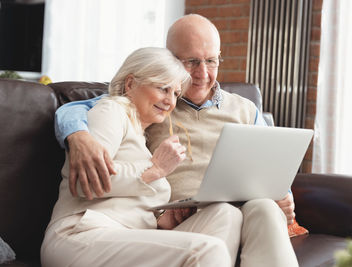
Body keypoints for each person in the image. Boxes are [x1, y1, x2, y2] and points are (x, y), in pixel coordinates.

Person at [54, 15, 299, 266]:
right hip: (187, 221)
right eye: (191, 61)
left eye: (211, 60)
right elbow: (81, 108)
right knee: (223, 217)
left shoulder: (244, 108)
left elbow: (272, 163)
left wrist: (283, 194)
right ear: (170, 60)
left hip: (239, 210)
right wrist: (77, 135)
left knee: (265, 207)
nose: (202, 73)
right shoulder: (149, 103)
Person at [41, 47, 243, 267]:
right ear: (130, 84)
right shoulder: (110, 111)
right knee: (207, 249)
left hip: (127, 236)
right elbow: (84, 184)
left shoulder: (142, 134)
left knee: (226, 215)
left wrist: (163, 216)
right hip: (80, 234)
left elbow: (129, 200)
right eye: (163, 88)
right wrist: (154, 169)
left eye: (175, 93)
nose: (170, 101)